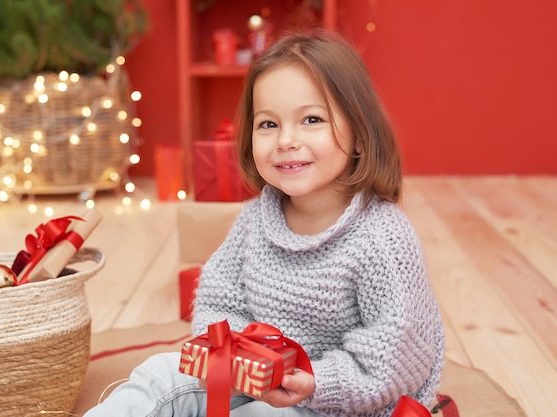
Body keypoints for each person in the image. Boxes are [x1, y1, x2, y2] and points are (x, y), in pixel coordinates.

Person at [84, 29, 444, 417]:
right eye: (268, 124)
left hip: (350, 403)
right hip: (262, 384)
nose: (286, 140)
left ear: (359, 135)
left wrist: (315, 382)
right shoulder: (256, 220)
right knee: (159, 374)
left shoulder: (381, 238)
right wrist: (234, 356)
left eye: (311, 119)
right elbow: (220, 301)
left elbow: (398, 354)